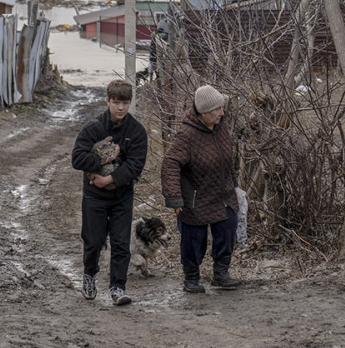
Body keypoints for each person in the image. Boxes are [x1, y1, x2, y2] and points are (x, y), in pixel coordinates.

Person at [71, 79, 148, 306]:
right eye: (116, 102)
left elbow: (136, 164)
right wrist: (104, 158)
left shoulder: (136, 131)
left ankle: (118, 287)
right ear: (108, 101)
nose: (121, 108)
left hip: (122, 195)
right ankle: (89, 275)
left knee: (121, 243)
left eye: (125, 102)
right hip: (94, 195)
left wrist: (110, 179)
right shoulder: (94, 128)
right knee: (93, 241)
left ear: (130, 102)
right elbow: (77, 158)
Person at [161, 84, 241, 293]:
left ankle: (221, 274)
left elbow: (226, 156)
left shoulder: (220, 125)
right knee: (193, 238)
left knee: (228, 228)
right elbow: (170, 163)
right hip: (196, 196)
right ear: (204, 113)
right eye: (218, 110)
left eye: (222, 108)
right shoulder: (186, 135)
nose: (222, 113)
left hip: (223, 192)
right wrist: (174, 197)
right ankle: (192, 278)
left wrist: (234, 184)